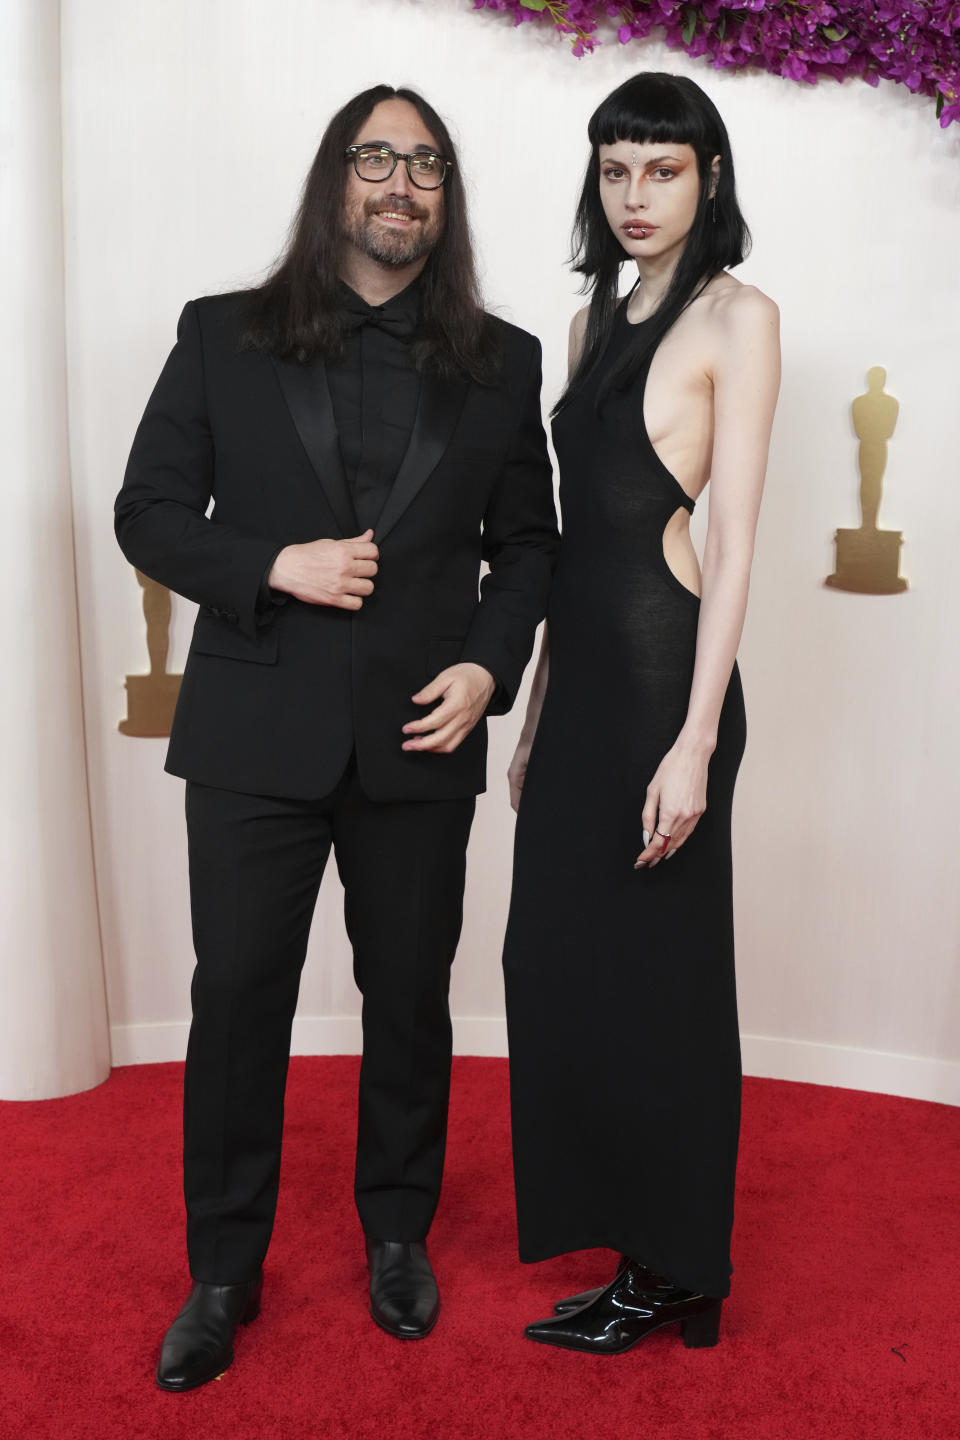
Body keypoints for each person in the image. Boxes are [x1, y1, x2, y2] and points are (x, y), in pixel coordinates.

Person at [115, 84, 558, 1391]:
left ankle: (399, 1235)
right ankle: (222, 1271)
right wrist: (275, 564)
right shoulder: (221, 336)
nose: (400, 184)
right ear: (336, 180)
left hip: (423, 736)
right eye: (377, 158)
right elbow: (148, 513)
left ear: (447, 194)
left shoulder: (504, 358)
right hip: (254, 732)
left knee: (410, 1005)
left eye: (425, 164)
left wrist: (490, 664)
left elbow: (527, 548)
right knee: (237, 1003)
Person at [502, 71, 780, 1354]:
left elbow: (730, 548)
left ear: (706, 178)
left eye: (660, 170)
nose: (635, 194)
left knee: (664, 988)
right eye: (616, 169)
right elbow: (568, 541)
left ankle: (678, 1267)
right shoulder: (584, 323)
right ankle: (641, 1249)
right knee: (564, 974)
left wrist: (694, 742)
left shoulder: (741, 319)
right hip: (586, 690)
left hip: (671, 691)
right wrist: (538, 700)